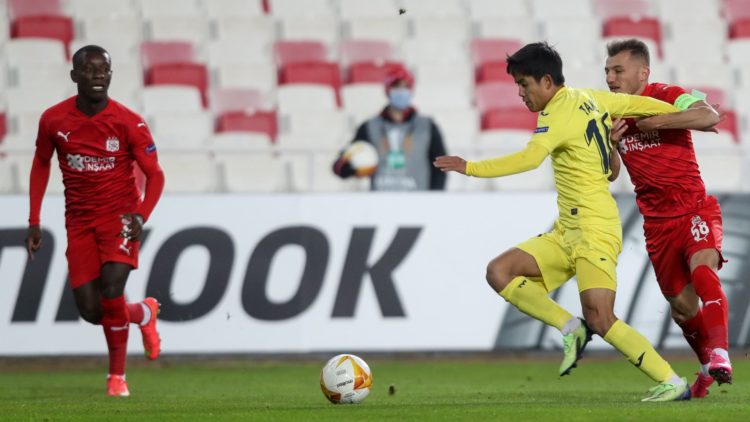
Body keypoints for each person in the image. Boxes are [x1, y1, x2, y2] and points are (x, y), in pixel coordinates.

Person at [434, 42, 691, 402]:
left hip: (594, 228)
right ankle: (570, 327)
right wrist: (685, 106)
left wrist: (470, 167)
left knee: (601, 318)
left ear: (546, 81)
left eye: (524, 84)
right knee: (500, 271)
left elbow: (529, 159)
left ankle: (671, 381)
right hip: (567, 230)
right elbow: (642, 105)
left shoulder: (556, 114)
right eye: (518, 85)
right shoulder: (592, 98)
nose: (520, 93)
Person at [25, 45, 166, 397]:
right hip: (80, 221)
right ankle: (143, 314)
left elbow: (156, 175)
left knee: (112, 287)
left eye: (104, 69)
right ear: (74, 75)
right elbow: (41, 163)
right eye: (89, 69)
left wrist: (141, 215)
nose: (98, 75)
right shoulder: (53, 120)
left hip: (120, 217)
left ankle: (116, 378)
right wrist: (34, 219)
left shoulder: (129, 122)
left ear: (111, 75)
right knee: (91, 310)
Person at [603, 38, 730, 398]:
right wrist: (610, 145)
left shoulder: (668, 95)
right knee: (682, 308)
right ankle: (706, 365)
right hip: (656, 224)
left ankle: (721, 354)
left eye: (618, 71)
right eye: (607, 71)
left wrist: (656, 121)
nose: (610, 78)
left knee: (703, 271)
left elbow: (708, 115)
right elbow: (611, 173)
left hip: (694, 208)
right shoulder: (609, 113)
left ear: (643, 72)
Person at [333, 66, 447, 191]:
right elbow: (341, 166)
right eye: (396, 86)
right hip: (380, 199)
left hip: (417, 199)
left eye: (406, 87)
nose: (401, 91)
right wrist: (350, 167)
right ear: (387, 90)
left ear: (411, 90)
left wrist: (434, 197)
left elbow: (442, 167)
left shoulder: (427, 127)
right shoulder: (369, 127)